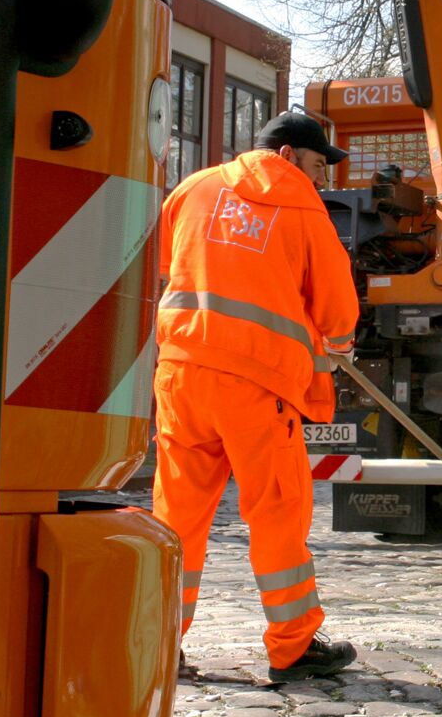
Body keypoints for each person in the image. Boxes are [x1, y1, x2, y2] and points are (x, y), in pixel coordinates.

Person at [152, 110, 360, 684]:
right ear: (290, 156)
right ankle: (292, 646)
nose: (323, 180)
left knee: (176, 516)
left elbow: (173, 269)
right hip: (256, 386)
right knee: (277, 511)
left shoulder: (191, 189)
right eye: (319, 165)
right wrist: (337, 347)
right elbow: (337, 305)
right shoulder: (300, 205)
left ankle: (156, 641)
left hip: (182, 376)